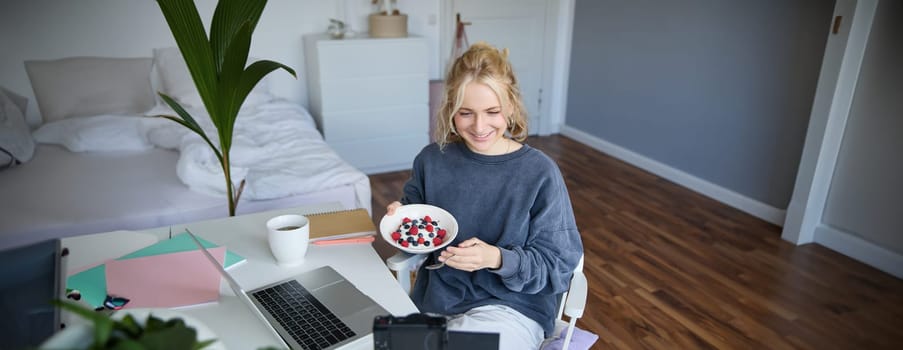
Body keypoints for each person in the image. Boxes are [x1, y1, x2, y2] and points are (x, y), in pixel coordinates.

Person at [384, 42, 584, 350]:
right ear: (451, 108)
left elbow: (558, 266)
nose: (479, 126)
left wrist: (497, 258)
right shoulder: (431, 160)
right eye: (466, 113)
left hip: (510, 307)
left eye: (492, 112)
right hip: (437, 302)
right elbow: (419, 216)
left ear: (512, 107)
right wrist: (402, 216)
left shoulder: (539, 173)